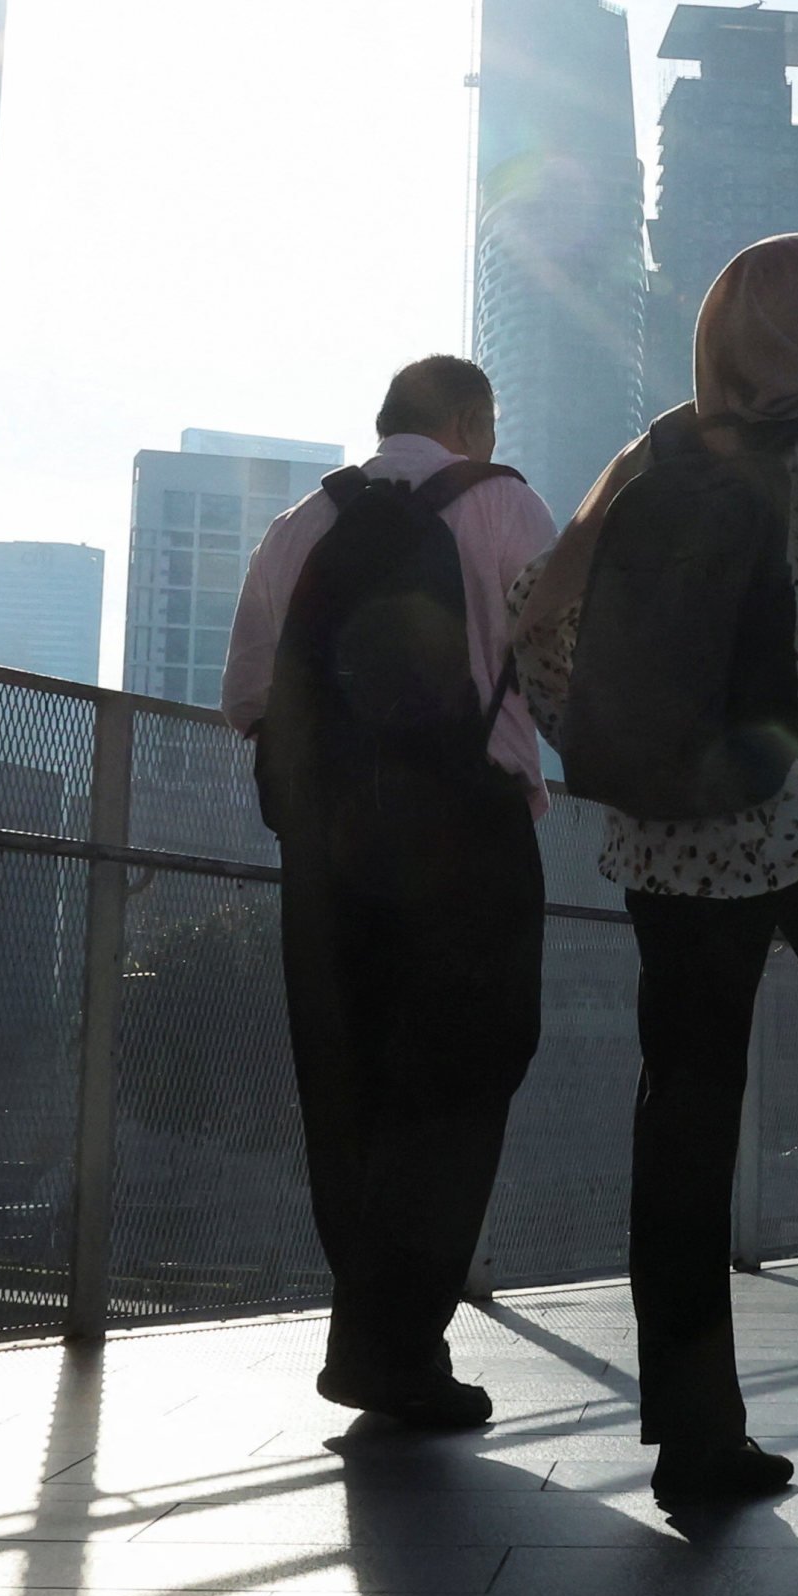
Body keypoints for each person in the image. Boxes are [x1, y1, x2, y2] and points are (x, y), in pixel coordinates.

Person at [510, 233, 798, 1509]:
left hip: (671, 839)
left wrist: (624, 753)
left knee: (682, 1114)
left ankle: (694, 1430)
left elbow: (537, 618)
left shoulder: (661, 445)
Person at [223, 355, 556, 1429]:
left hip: (326, 845)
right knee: (463, 1073)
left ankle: (373, 1333)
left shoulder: (295, 527)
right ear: (469, 420)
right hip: (469, 831)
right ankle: (392, 1344)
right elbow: (556, 666)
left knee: (347, 1079)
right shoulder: (500, 501)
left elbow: (246, 697)